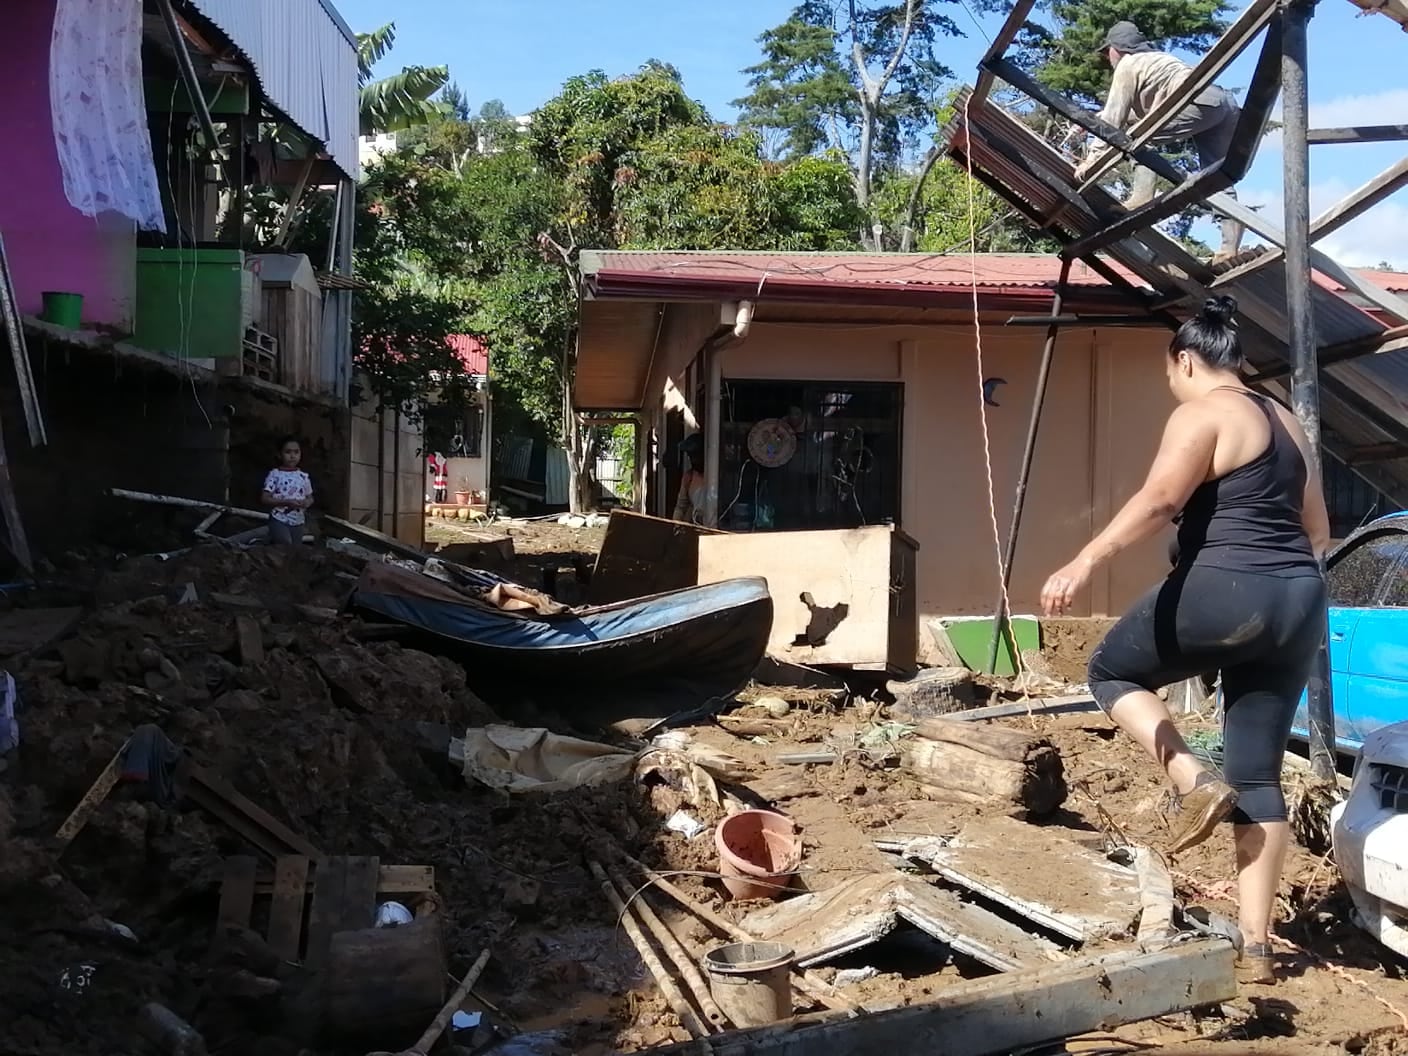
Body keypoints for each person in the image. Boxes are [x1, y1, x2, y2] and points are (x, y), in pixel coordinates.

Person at [1040, 296, 1330, 986]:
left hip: (1228, 584)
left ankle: (1194, 781)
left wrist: (1085, 559)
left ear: (1186, 360)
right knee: (1258, 774)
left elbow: (1164, 498)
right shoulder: (1290, 423)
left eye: (1171, 373)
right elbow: (1319, 530)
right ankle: (1257, 948)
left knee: (1112, 671)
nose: (1171, 384)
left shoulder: (1202, 412)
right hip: (1300, 599)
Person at [1076, 21, 1246, 262]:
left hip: (1196, 101)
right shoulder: (1157, 61)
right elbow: (1131, 113)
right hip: (1221, 102)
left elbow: (1115, 118)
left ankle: (1141, 197)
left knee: (1136, 139)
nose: (1107, 58)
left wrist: (1091, 159)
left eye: (1107, 52)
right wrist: (1088, 121)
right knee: (1219, 175)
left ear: (1118, 48)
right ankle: (1230, 247)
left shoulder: (1128, 64)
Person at [261, 436, 314, 546]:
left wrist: (306, 503)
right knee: (285, 544)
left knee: (295, 551)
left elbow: (310, 497)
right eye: (288, 452)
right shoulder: (275, 475)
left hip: (298, 521)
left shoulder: (303, 477)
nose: (292, 456)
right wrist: (286, 502)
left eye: (296, 452)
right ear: (280, 455)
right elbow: (265, 498)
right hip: (278, 518)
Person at [672, 433, 707, 525]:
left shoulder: (718, 476)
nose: (694, 460)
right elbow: (681, 506)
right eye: (691, 456)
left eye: (696, 455)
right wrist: (676, 525)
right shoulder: (689, 477)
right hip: (696, 527)